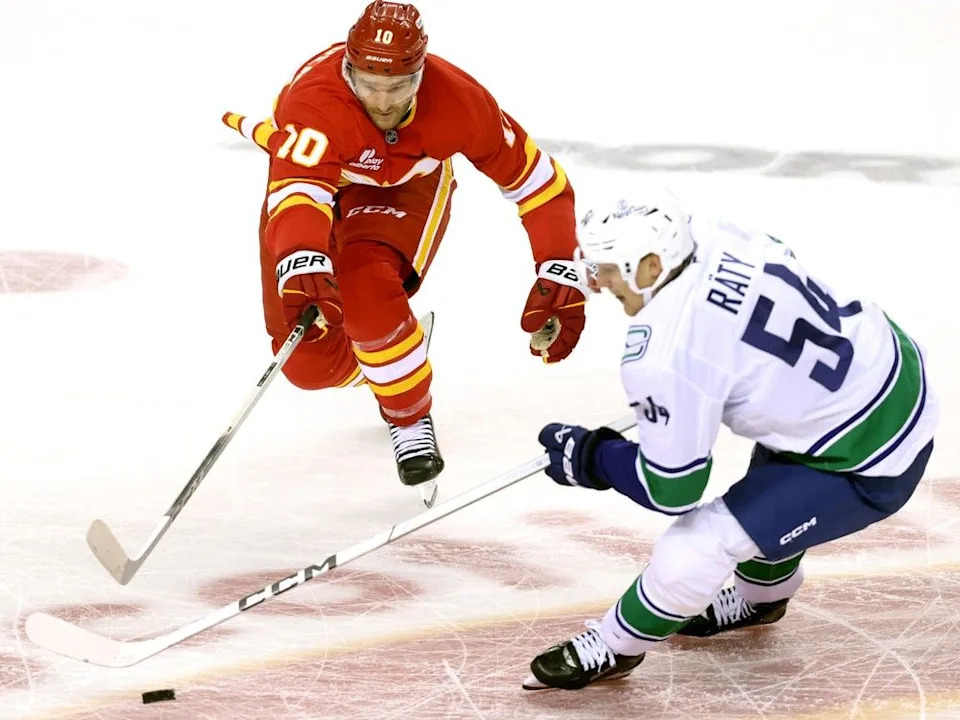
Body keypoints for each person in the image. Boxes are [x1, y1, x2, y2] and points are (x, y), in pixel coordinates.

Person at [523, 194, 939, 690]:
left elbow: (671, 489)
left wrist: (593, 458)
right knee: (769, 492)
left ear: (654, 264)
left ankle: (615, 646)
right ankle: (763, 600)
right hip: (885, 365)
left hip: (869, 456)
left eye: (610, 269)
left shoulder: (663, 355)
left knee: (697, 549)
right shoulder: (715, 233)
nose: (601, 280)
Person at [222, 1, 588, 506]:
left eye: (399, 87)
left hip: (403, 193)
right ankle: (397, 352)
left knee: (366, 291)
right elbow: (299, 194)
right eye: (368, 84)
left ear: (421, 72)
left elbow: (541, 186)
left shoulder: (460, 100)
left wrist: (559, 267)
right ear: (348, 67)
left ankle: (409, 418)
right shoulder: (314, 101)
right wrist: (303, 256)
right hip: (315, 187)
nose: (382, 101)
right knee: (308, 366)